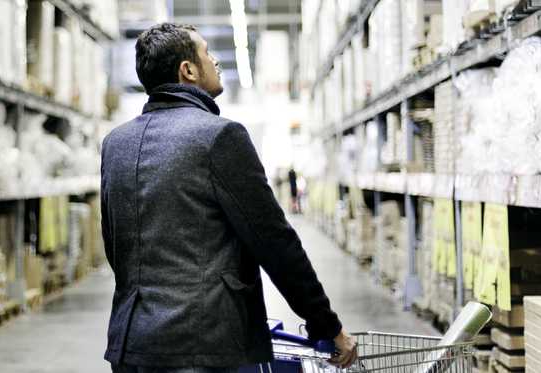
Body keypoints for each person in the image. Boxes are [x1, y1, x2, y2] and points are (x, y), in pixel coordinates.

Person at [100, 23, 357, 373]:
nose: (215, 62)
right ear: (187, 70)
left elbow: (115, 245)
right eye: (207, 53)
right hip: (202, 346)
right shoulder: (220, 137)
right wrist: (326, 324)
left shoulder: (116, 144)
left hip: (131, 346)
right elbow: (273, 241)